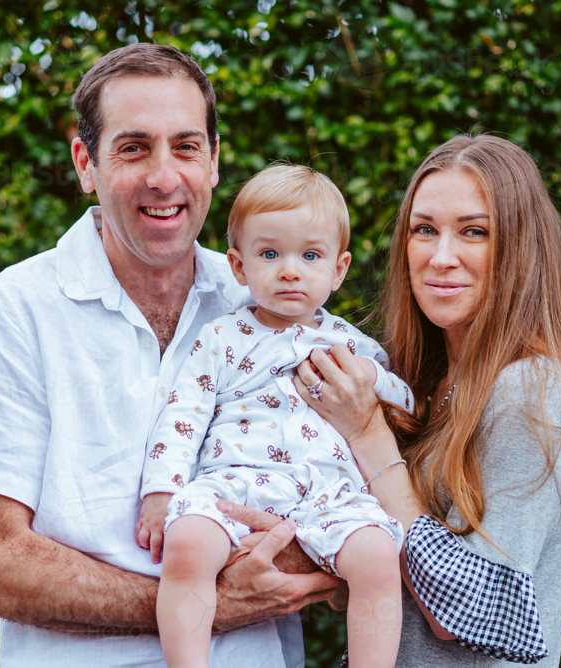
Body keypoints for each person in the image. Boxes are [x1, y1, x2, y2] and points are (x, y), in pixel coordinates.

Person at [0, 44, 338, 668]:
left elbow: (346, 504)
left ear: (214, 161)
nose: (163, 177)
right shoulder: (22, 306)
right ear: (85, 164)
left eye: (186, 147)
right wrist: (198, 605)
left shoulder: (265, 301)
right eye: (133, 148)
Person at [219, 133, 561, 666]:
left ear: (521, 249)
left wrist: (368, 434)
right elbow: (395, 561)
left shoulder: (533, 389)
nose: (441, 257)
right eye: (424, 230)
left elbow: (473, 611)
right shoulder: (424, 381)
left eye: (474, 231)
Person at [135, 164, 412, 668]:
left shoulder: (350, 345)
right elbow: (183, 415)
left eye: (310, 256)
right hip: (235, 483)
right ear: (238, 266)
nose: (290, 270)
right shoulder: (221, 338)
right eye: (269, 254)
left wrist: (373, 378)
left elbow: (403, 406)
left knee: (377, 556)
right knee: (188, 545)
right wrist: (161, 491)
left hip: (326, 492)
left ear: (339, 269)